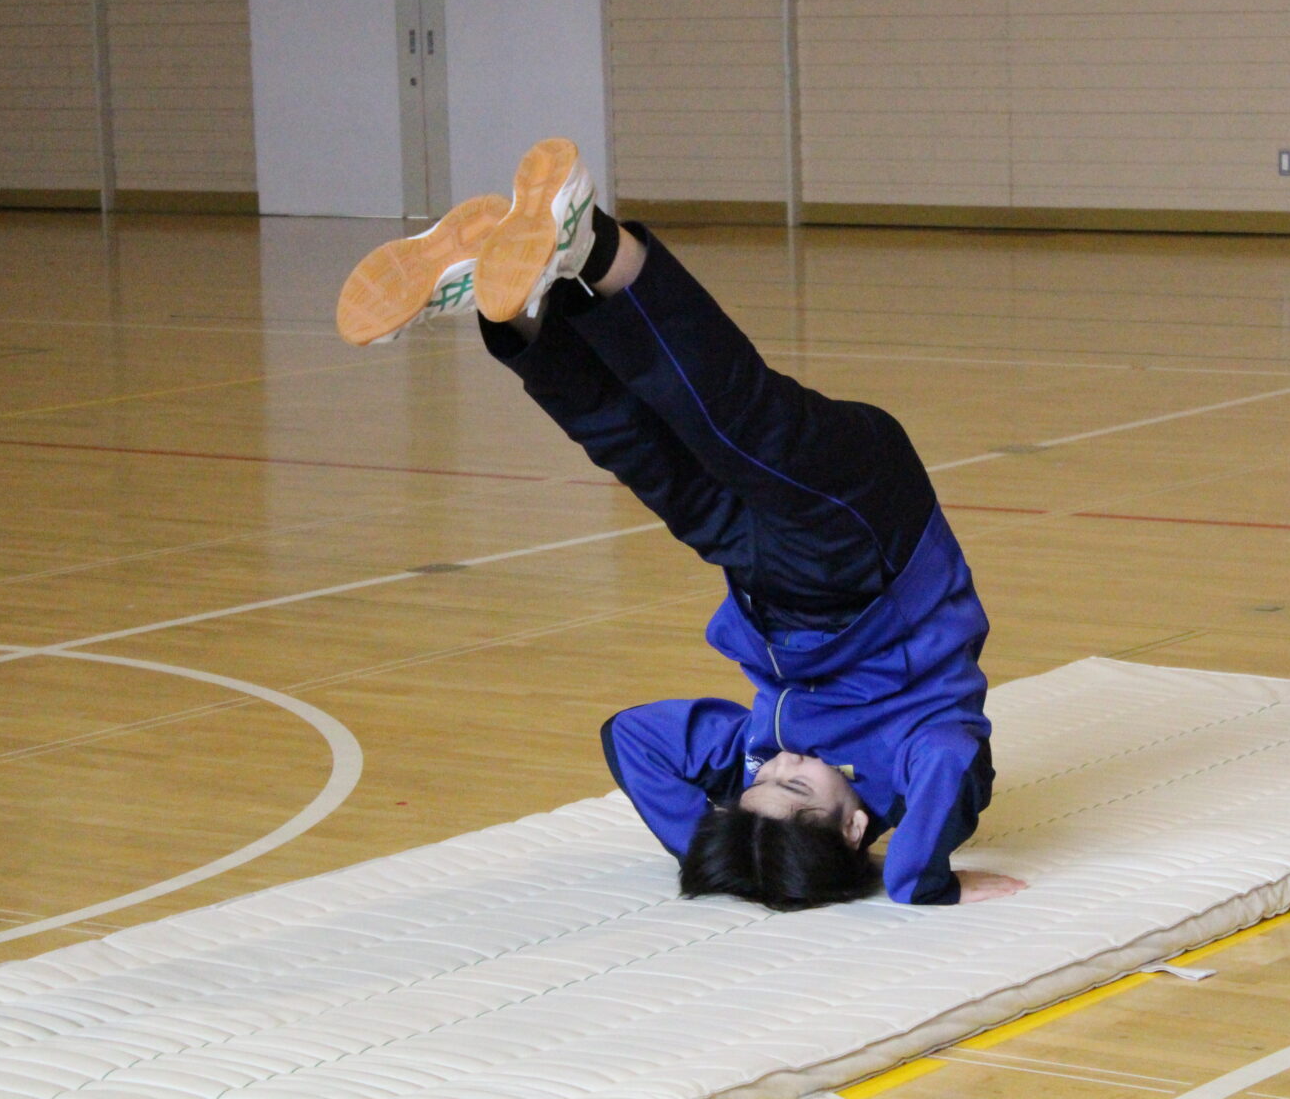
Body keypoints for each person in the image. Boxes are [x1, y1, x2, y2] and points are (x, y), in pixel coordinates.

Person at [338, 138, 1026, 909]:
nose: (779, 762)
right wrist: (920, 881)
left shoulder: (758, 765)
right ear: (856, 827)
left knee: (637, 446)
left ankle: (521, 306)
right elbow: (948, 771)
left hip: (767, 583)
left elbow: (632, 737)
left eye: (762, 783)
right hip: (867, 542)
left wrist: (719, 842)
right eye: (797, 783)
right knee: (735, 426)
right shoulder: (914, 760)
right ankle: (595, 247)